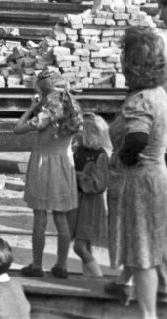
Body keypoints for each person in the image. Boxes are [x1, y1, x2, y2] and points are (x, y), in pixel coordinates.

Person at [104, 27, 167, 318]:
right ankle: (122, 281)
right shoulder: (160, 94)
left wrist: (125, 159)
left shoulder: (139, 101)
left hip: (140, 180)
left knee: (143, 250)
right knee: (145, 238)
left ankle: (148, 314)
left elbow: (138, 138)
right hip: (157, 174)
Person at [13, 69, 82, 278]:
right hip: (64, 162)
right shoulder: (73, 105)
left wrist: (31, 108)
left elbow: (17, 128)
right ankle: (61, 265)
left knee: (40, 218)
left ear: (42, 91)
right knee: (61, 217)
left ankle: (36, 265)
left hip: (44, 163)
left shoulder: (46, 111)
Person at [71, 112, 110, 278]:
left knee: (79, 247)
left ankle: (97, 276)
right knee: (85, 245)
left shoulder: (100, 155)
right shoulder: (79, 150)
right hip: (78, 201)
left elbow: (99, 184)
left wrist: (78, 176)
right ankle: (88, 279)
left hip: (91, 204)